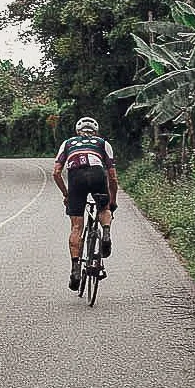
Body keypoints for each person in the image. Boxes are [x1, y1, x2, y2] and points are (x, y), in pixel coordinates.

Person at [53, 116, 119, 292]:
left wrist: (66, 194)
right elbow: (112, 177)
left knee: (76, 228)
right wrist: (112, 200)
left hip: (76, 179)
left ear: (77, 131)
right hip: (97, 175)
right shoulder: (103, 143)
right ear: (95, 132)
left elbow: (56, 173)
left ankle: (75, 270)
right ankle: (105, 233)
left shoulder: (68, 143)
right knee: (103, 208)